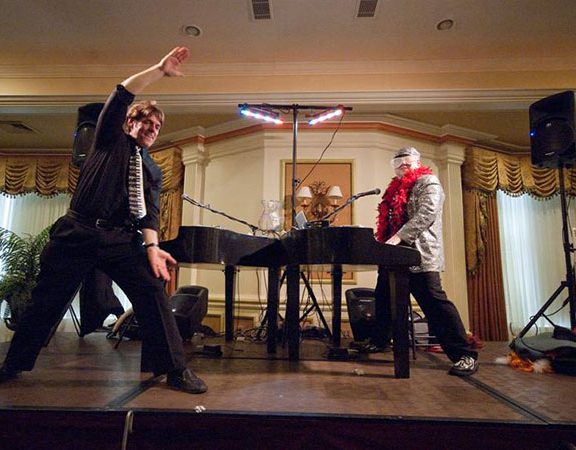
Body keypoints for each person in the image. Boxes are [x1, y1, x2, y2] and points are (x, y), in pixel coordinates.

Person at [0, 47, 207, 393]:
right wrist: (159, 69)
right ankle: (13, 364)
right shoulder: (109, 139)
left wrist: (153, 248)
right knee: (45, 302)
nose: (152, 129)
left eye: (157, 126)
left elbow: (149, 213)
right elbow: (122, 92)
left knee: (152, 291)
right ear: (130, 122)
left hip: (120, 241)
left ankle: (175, 369)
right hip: (77, 233)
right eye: (147, 122)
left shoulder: (153, 170)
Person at [372, 146, 479, 376]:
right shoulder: (394, 188)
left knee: (436, 306)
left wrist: (398, 237)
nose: (403, 165)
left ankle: (465, 355)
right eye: (398, 163)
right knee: (383, 300)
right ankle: (377, 342)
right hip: (393, 257)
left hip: (420, 255)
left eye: (407, 162)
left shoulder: (429, 182)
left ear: (418, 162)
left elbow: (426, 213)